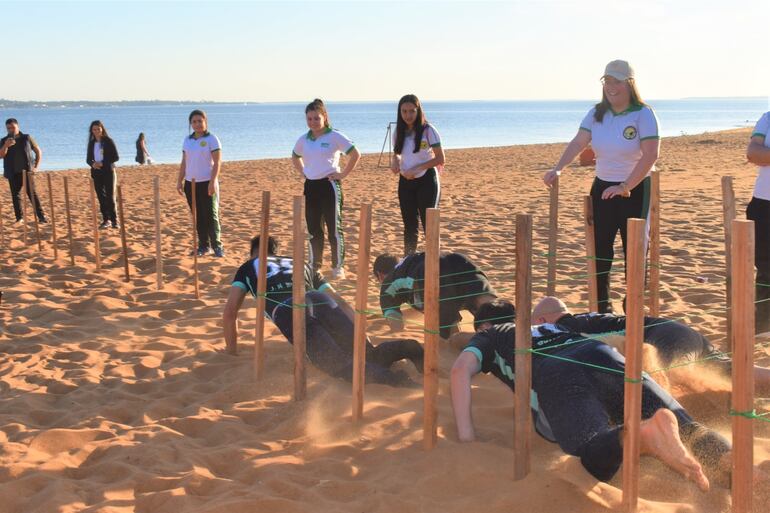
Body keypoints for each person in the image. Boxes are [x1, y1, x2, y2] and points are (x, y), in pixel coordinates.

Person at [451, 300, 733, 491]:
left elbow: (460, 370)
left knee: (591, 450)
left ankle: (644, 435)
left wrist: (466, 436)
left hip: (556, 372)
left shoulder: (489, 336)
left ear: (482, 326)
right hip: (599, 355)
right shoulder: (553, 326)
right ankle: (734, 465)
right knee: (689, 427)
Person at [223, 236, 424, 387]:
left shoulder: (248, 266)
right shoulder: (300, 263)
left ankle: (398, 381)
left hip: (289, 308)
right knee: (366, 354)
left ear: (253, 253)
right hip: (321, 300)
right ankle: (410, 348)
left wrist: (231, 351)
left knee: (339, 366)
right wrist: (362, 338)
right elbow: (341, 302)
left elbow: (230, 312)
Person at [543, 60, 660, 313]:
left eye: (617, 81)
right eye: (607, 81)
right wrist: (558, 168)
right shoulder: (596, 113)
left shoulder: (643, 113)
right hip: (603, 188)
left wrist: (626, 185)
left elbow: (651, 155)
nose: (611, 86)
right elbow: (578, 143)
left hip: (635, 189)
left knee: (635, 253)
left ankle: (634, 310)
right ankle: (602, 309)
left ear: (629, 83)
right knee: (600, 252)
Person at [532, 296, 770, 393]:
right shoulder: (589, 317)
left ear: (542, 321)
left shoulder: (567, 325)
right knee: (730, 372)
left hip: (663, 336)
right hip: (679, 331)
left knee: (670, 378)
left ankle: (682, 426)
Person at [292, 99, 361, 280]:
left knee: (334, 229)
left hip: (329, 185)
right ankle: (315, 265)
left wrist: (343, 174)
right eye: (309, 119)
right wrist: (303, 171)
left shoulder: (335, 136)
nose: (313, 122)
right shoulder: (303, 139)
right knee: (314, 229)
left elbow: (355, 154)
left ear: (324, 117)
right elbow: (295, 156)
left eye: (316, 118)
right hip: (311, 186)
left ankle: (338, 266)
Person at [373, 251, 500, 340]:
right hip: (459, 260)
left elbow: (397, 327)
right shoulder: (410, 262)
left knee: (449, 336)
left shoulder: (388, 284)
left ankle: (484, 341)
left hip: (429, 273)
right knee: (494, 313)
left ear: (380, 275)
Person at [391, 94, 445, 256]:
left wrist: (418, 168)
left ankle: (435, 260)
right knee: (409, 225)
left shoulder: (429, 130)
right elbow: (398, 153)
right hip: (406, 181)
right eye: (404, 111)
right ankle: (409, 259)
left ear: (418, 110)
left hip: (427, 180)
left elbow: (440, 158)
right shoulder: (398, 131)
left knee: (429, 223)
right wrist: (395, 162)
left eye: (412, 111)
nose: (408, 115)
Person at [176, 109, 224, 257]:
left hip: (207, 182)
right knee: (197, 215)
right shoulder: (187, 140)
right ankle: (204, 246)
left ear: (205, 122)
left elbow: (217, 162)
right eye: (194, 122)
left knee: (211, 215)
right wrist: (179, 181)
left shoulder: (212, 139)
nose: (197, 124)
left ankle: (217, 246)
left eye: (200, 121)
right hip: (191, 183)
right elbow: (184, 162)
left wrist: (212, 181)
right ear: (190, 124)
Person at [746, 111, 770, 334]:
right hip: (763, 203)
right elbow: (753, 153)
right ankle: (763, 327)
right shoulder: (768, 117)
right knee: (765, 266)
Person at [0, 118, 46, 224]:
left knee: (32, 194)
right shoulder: (4, 140)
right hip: (12, 172)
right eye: (8, 128)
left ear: (18, 126)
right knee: (15, 196)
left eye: (12, 127)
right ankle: (19, 218)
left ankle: (41, 217)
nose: (10, 130)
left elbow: (38, 151)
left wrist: (36, 167)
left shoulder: (26, 138)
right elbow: (1, 156)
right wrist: (6, 145)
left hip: (27, 172)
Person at [86, 120, 120, 229]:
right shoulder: (91, 143)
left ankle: (114, 220)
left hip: (108, 171)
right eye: (94, 129)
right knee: (101, 197)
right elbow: (88, 159)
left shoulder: (108, 141)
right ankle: (106, 220)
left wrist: (103, 163)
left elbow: (115, 157)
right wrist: (93, 164)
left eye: (98, 129)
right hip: (96, 173)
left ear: (102, 129)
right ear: (91, 131)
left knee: (110, 197)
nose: (96, 131)